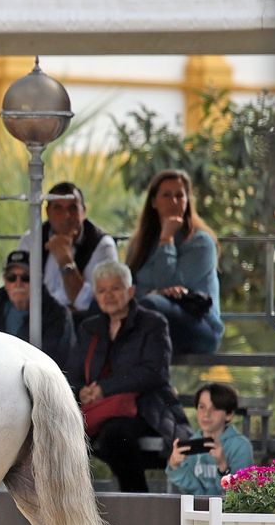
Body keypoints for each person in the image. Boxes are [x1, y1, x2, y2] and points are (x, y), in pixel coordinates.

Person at [65, 261, 186, 493]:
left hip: (146, 410)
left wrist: (104, 388)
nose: (108, 295)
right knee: (60, 434)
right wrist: (81, 390)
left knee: (115, 437)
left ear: (130, 291)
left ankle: (136, 502)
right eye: (102, 290)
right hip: (98, 412)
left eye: (115, 288)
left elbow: (155, 372)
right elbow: (72, 374)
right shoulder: (89, 328)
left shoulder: (152, 323)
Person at [124, 169, 223, 355]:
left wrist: (167, 238)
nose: (174, 202)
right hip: (151, 322)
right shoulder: (140, 244)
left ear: (188, 201)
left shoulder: (201, 242)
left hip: (198, 325)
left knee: (151, 306)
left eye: (180, 195)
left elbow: (169, 284)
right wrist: (154, 292)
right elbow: (129, 289)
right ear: (154, 202)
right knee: (101, 306)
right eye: (166, 195)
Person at [15, 181, 118, 317]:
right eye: (58, 208)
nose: (66, 215)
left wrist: (65, 260)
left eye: (73, 208)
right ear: (47, 212)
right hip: (36, 318)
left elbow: (91, 304)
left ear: (84, 211)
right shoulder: (31, 240)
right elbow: (19, 292)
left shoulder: (102, 245)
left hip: (81, 324)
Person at [0, 250, 76, 369]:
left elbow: (55, 361)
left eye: (26, 277)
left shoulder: (58, 316)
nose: (18, 283)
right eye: (12, 277)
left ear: (38, 280)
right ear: (5, 281)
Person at [166, 383, 254, 496]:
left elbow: (242, 495)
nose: (206, 414)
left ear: (229, 414)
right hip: (198, 510)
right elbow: (194, 493)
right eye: (202, 407)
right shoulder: (192, 443)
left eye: (215, 408)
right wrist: (175, 466)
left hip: (227, 512)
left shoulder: (241, 446)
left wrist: (223, 466)